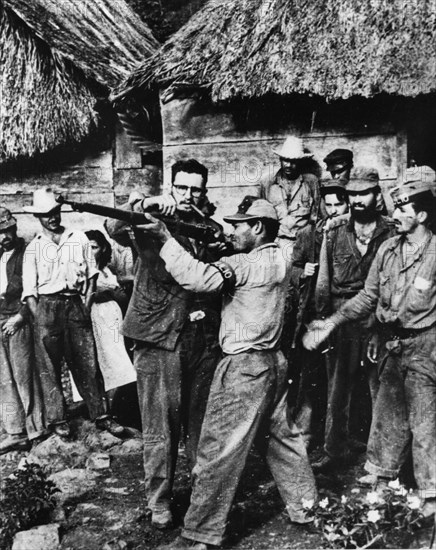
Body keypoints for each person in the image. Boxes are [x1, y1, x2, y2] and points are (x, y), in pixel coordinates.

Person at [142, 196, 317, 550]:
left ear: (257, 227)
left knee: (217, 452)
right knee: (285, 442)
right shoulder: (281, 258)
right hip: (273, 362)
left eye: (239, 225)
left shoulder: (244, 263)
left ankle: (201, 534)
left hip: (242, 368)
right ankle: (306, 508)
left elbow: (199, 280)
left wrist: (165, 238)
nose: (233, 231)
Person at [303, 177, 436, 522]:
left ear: (421, 216)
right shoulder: (389, 249)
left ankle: (430, 491)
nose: (397, 214)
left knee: (423, 421)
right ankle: (382, 472)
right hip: (393, 340)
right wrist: (331, 322)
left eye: (404, 209)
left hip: (425, 345)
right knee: (388, 412)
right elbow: (368, 296)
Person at [106, 159, 222, 529]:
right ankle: (160, 501)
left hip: (200, 338)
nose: (189, 195)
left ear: (204, 191)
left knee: (200, 424)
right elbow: (113, 225)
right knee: (159, 428)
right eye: (182, 188)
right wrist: (146, 205)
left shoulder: (207, 225)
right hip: (157, 336)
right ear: (172, 187)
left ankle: (202, 500)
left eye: (196, 189)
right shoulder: (149, 219)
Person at [312, 168, 396, 473]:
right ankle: (334, 450)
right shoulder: (334, 231)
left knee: (382, 389)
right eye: (354, 194)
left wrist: (382, 325)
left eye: (365, 193)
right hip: (341, 317)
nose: (358, 200)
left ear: (377, 195)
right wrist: (323, 320)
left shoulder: (391, 231)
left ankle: (381, 458)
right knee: (338, 387)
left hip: (377, 319)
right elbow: (324, 280)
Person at [22, 188, 124, 439]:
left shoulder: (78, 238)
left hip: (75, 304)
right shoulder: (34, 248)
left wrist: (86, 305)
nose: (52, 218)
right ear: (38, 217)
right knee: (49, 366)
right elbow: (30, 291)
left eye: (55, 212)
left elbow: (91, 276)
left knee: (87, 362)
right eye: (46, 214)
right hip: (47, 307)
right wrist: (40, 317)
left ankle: (102, 415)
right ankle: (58, 419)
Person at [290, 180, 349, 447]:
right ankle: (305, 433)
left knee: (341, 379)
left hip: (341, 315)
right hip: (312, 315)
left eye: (340, 204)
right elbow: (290, 270)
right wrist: (303, 272)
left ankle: (339, 437)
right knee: (309, 376)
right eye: (330, 204)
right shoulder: (308, 233)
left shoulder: (351, 233)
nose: (334, 210)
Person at [0, 207, 48, 454]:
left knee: (24, 376)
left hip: (17, 321)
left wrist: (20, 317)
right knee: (4, 381)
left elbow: (32, 289)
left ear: (14, 228)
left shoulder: (27, 253)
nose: (3, 237)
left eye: (6, 231)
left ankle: (36, 430)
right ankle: (15, 431)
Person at [84, 230, 136, 400]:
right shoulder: (81, 272)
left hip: (111, 319)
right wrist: (107, 292)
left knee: (116, 362)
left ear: (103, 249)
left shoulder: (106, 271)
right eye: (86, 247)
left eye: (94, 247)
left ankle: (114, 409)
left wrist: (111, 293)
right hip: (94, 317)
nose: (90, 252)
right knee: (98, 362)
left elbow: (120, 295)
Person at [261, 136, 321, 248]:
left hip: (302, 242)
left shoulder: (311, 182)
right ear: (280, 159)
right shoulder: (268, 183)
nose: (288, 165)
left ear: (300, 162)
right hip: (276, 242)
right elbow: (261, 215)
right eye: (285, 160)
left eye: (293, 161)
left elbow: (316, 214)